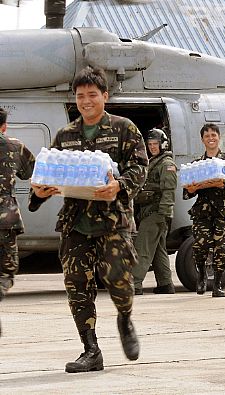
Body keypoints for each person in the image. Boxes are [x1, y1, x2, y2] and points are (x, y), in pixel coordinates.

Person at [29, 67, 148, 372]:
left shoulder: (124, 129)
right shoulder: (65, 135)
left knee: (120, 279)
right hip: (76, 222)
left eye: (92, 95)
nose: (85, 101)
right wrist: (40, 191)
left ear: (105, 96)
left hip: (113, 220)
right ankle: (91, 349)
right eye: (80, 96)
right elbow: (50, 173)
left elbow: (139, 167)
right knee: (76, 285)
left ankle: (124, 316)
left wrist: (119, 184)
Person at [183, 123, 225, 297]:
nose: (211, 138)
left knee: (222, 249)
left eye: (214, 135)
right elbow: (187, 191)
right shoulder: (197, 164)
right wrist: (191, 190)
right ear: (202, 140)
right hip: (202, 212)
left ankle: (217, 284)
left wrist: (222, 185)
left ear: (219, 137)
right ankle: (201, 274)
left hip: (223, 212)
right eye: (207, 136)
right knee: (200, 245)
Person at [0, 107, 36, 337]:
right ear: (4, 126)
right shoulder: (15, 146)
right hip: (6, 216)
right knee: (7, 268)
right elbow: (30, 171)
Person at [132, 128, 178, 295]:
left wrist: (162, 215)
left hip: (156, 212)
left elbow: (169, 190)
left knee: (142, 248)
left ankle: (134, 284)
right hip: (150, 211)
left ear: (162, 145)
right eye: (150, 144)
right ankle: (165, 284)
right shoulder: (155, 162)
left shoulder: (166, 165)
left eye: (155, 144)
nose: (152, 147)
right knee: (158, 250)